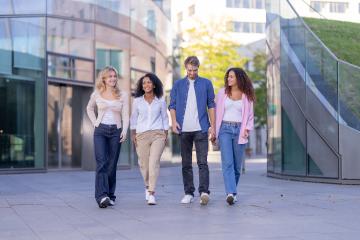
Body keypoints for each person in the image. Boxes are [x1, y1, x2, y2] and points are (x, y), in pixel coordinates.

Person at [169, 56, 215, 205]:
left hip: (201, 128)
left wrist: (212, 126)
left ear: (198, 68)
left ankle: (204, 192)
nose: (192, 73)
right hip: (183, 129)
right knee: (186, 163)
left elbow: (211, 106)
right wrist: (174, 122)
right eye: (189, 70)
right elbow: (172, 105)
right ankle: (188, 193)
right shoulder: (178, 84)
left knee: (203, 162)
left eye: (195, 70)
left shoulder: (206, 83)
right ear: (185, 68)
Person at [86, 66, 129, 208]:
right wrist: (95, 123)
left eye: (114, 76)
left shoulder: (122, 94)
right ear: (103, 78)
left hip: (116, 131)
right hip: (100, 131)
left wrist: (125, 130)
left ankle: (110, 195)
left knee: (111, 164)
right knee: (101, 163)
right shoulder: (97, 93)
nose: (113, 79)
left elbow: (125, 114)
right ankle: (101, 196)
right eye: (110, 76)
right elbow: (89, 108)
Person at [214, 67, 254, 205]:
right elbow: (215, 112)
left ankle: (233, 191)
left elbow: (250, 116)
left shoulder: (246, 96)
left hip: (240, 131)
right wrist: (213, 129)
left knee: (237, 166)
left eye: (231, 76)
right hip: (225, 129)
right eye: (228, 77)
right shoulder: (222, 93)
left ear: (239, 78)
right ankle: (230, 193)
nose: (228, 79)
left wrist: (247, 129)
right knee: (227, 163)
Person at [130, 73, 169, 205]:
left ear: (154, 84)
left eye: (149, 82)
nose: (146, 85)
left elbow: (165, 118)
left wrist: (165, 135)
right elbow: (134, 118)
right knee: (144, 164)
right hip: (141, 135)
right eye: (144, 83)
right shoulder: (137, 101)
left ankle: (152, 193)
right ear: (142, 86)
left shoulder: (161, 100)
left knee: (153, 163)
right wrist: (133, 134)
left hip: (158, 134)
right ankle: (147, 186)